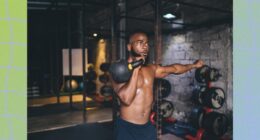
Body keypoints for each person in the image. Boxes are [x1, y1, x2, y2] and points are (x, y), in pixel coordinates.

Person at [111, 31, 204, 140]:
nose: (145, 46)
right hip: (127, 128)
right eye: (140, 42)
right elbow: (126, 99)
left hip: (147, 127)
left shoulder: (151, 69)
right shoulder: (118, 70)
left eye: (146, 43)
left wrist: (194, 65)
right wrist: (136, 69)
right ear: (129, 46)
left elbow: (175, 68)